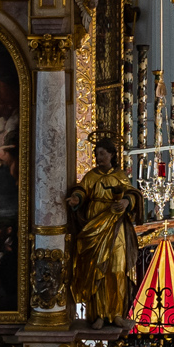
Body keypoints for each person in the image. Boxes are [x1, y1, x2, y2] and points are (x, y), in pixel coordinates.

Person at [67, 139, 138, 327]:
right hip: (95, 225)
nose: (98, 158)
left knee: (116, 269)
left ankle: (117, 314)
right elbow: (82, 190)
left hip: (116, 225)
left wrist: (126, 201)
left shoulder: (119, 175)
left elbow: (132, 193)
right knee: (98, 269)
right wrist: (77, 198)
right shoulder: (91, 176)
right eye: (96, 154)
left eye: (102, 154)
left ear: (112, 154)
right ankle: (99, 314)